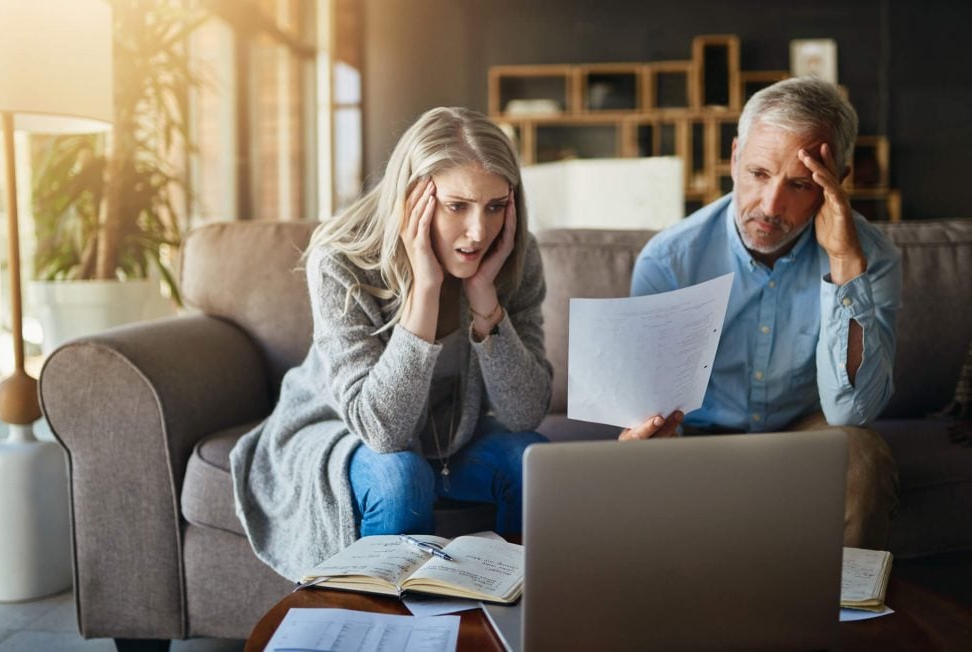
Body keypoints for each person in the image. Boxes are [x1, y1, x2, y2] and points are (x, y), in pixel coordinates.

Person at [230, 107, 552, 580]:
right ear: (411, 199)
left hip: (450, 435)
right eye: (456, 206)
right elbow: (381, 431)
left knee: (533, 462)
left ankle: (507, 617)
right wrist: (424, 290)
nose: (479, 232)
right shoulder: (341, 257)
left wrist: (486, 304)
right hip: (343, 429)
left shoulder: (514, 257)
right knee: (401, 477)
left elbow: (524, 414)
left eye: (495, 206)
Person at [620, 77, 902, 549]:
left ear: (838, 182)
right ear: (734, 157)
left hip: (808, 432)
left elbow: (851, 410)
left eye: (798, 184)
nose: (770, 206)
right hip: (698, 439)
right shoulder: (669, 261)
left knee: (863, 455)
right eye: (758, 174)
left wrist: (846, 267)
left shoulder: (872, 258)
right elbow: (647, 407)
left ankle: (845, 618)